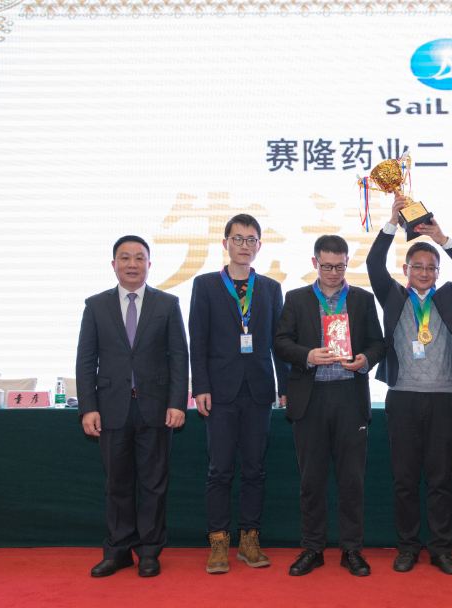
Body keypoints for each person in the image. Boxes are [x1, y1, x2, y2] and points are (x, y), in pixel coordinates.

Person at [365, 196, 452, 575]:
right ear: (406, 269)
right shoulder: (392, 296)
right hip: (401, 399)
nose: (425, 272)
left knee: (439, 480)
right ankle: (407, 547)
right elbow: (373, 264)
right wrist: (390, 223)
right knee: (404, 480)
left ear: (437, 271)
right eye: (418, 266)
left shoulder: (448, 297)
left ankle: (441, 548)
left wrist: (441, 237)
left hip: (443, 400)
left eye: (431, 267)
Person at [76, 235, 189, 578]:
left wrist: (177, 402)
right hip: (111, 409)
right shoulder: (96, 305)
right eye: (124, 258)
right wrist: (88, 407)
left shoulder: (167, 304)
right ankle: (119, 551)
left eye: (139, 258)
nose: (132, 264)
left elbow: (179, 358)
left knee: (154, 484)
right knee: (118, 484)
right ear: (114, 265)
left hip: (155, 408)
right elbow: (86, 360)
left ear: (149, 265)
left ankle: (150, 551)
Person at [273, 235, 385, 577]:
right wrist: (307, 355)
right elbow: (280, 342)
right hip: (311, 398)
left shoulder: (362, 299)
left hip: (350, 396)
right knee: (312, 480)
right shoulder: (296, 298)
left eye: (340, 266)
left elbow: (378, 343)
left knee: (352, 480)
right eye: (327, 266)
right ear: (314, 264)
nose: (334, 273)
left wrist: (364, 359)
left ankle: (352, 549)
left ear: (347, 263)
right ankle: (313, 548)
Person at [189, 214, 289, 574]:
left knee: (254, 470)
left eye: (251, 240)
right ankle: (218, 543)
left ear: (259, 246)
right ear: (225, 243)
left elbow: (279, 343)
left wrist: (284, 387)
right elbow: (197, 341)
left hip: (259, 391)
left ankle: (249, 541)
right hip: (219, 392)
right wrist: (200, 386)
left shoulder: (271, 289)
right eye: (238, 239)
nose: (244, 245)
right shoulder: (205, 285)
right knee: (219, 470)